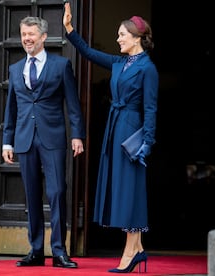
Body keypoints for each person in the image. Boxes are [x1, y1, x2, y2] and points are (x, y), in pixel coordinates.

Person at [63, 3, 158, 273]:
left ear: (136, 38)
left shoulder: (147, 68)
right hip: (114, 129)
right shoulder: (120, 62)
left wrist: (147, 142)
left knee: (132, 192)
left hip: (132, 133)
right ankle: (136, 249)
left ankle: (132, 250)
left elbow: (150, 108)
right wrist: (70, 29)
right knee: (122, 190)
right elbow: (89, 53)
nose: (118, 39)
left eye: (122, 35)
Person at [2, 16, 86, 269]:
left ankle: (59, 251)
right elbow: (11, 109)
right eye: (23, 34)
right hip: (25, 139)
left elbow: (73, 105)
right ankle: (36, 250)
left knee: (58, 192)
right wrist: (7, 142)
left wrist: (77, 135)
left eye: (31, 34)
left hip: (53, 138)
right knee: (32, 194)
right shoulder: (16, 69)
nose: (26, 38)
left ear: (43, 37)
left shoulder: (61, 65)